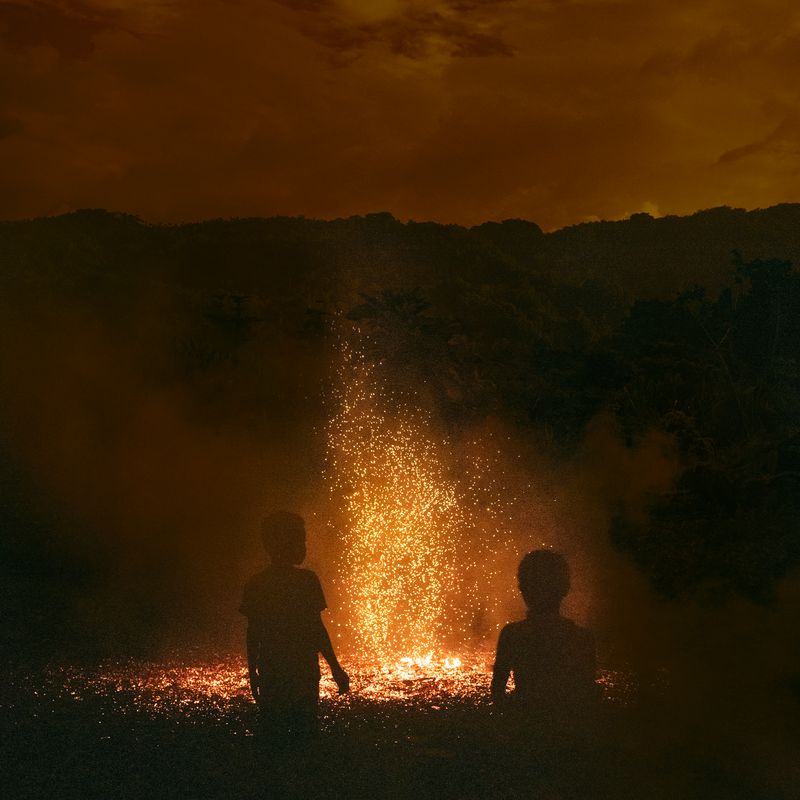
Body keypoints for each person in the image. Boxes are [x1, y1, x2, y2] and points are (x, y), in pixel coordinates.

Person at [240, 511, 349, 741]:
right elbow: (316, 629)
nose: (304, 545)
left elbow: (254, 634)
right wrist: (335, 667)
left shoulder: (257, 584)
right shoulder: (306, 581)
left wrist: (253, 675)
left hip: (272, 673)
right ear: (287, 543)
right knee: (305, 736)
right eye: (301, 539)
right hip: (303, 673)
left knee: (273, 739)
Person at [491, 549, 596, 731]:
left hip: (524, 733)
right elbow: (587, 694)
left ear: (522, 589)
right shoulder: (583, 639)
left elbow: (497, 693)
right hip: (568, 734)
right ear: (565, 588)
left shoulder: (512, 635)